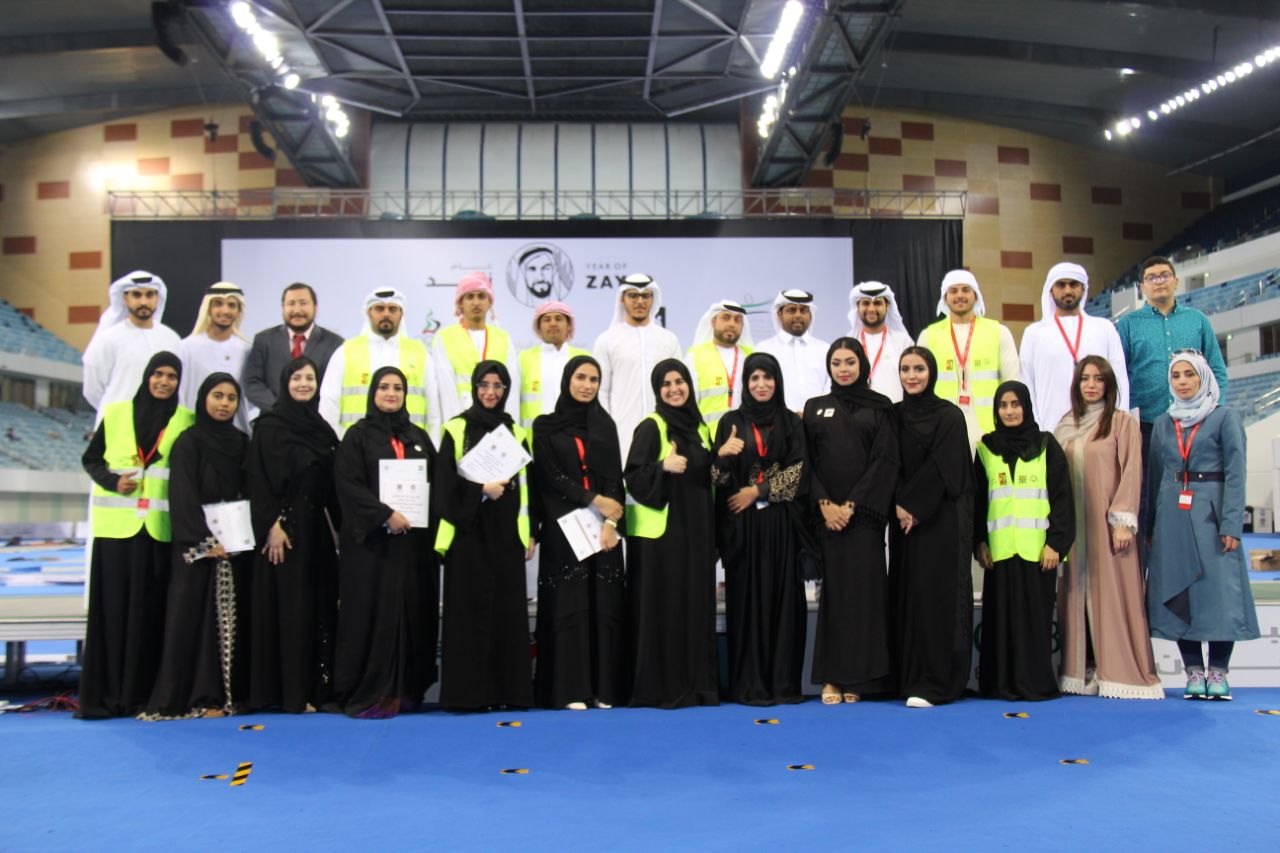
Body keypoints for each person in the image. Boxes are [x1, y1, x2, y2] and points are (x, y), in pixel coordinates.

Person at [77, 352, 194, 719]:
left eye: (172, 376)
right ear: (146, 377)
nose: (164, 382)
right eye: (158, 374)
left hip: (158, 531)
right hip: (116, 533)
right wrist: (112, 481)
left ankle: (141, 694)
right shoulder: (115, 414)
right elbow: (91, 460)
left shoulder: (185, 419)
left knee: (151, 616)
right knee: (112, 613)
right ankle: (108, 694)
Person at [1146, 350, 1257, 700]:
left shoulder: (1224, 417)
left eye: (1189, 374)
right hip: (1172, 515)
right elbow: (1154, 478)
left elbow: (1237, 474)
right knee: (1181, 590)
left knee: (1219, 593)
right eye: (1176, 376)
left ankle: (1218, 671)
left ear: (1203, 377)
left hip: (1212, 514)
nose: (1183, 382)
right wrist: (1151, 527)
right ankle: (1193, 671)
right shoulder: (1163, 423)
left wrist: (1232, 524)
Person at [331, 366, 439, 718]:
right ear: (372, 392)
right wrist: (384, 514)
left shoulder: (418, 436)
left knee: (411, 611)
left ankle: (406, 689)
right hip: (373, 548)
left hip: (412, 548)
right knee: (373, 613)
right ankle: (372, 691)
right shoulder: (357, 436)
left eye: (397, 388)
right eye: (383, 387)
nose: (391, 393)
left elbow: (436, 484)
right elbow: (347, 484)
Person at [142, 373, 252, 719]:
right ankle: (197, 697)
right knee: (192, 621)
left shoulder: (242, 443)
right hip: (199, 549)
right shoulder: (189, 442)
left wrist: (239, 536)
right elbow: (182, 494)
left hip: (235, 547)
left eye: (231, 398)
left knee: (233, 621)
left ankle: (227, 696)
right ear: (204, 398)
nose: (224, 404)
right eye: (217, 396)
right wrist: (205, 540)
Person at [1053, 356, 1161, 699]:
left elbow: (1131, 472)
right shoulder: (1065, 425)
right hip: (1074, 531)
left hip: (1109, 527)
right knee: (1075, 595)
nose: (1091, 385)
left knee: (1112, 596)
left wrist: (1123, 520)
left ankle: (1115, 670)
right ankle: (1081, 668)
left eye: (1098, 379)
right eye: (1085, 378)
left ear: (1109, 384)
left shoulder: (1121, 423)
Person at [433, 361, 536, 711]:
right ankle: (467, 697)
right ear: (474, 388)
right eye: (484, 385)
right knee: (468, 615)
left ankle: (507, 694)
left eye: (498, 386)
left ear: (506, 390)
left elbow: (527, 489)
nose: (490, 392)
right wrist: (481, 490)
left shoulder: (516, 433)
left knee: (506, 615)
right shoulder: (456, 428)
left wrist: (529, 532)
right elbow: (444, 486)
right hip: (467, 535)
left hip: (506, 536)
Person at [804, 338, 899, 704]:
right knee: (833, 597)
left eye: (849, 362)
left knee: (864, 597)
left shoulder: (880, 407)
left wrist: (852, 505)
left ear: (862, 365)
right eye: (837, 363)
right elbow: (806, 461)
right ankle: (831, 678)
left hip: (864, 519)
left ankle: (858, 677)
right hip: (826, 518)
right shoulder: (815, 408)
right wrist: (825, 504)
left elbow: (884, 459)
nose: (843, 369)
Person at [1117, 256, 1228, 563]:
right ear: (1142, 286)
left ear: (1176, 281)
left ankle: (1192, 563)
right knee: (1145, 498)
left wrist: (1212, 414)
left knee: (1191, 495)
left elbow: (1218, 371)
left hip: (1193, 427)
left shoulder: (1197, 321)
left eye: (1164, 275)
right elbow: (1118, 375)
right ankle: (1146, 572)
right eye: (1151, 277)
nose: (1159, 281)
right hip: (1146, 425)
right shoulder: (1128, 325)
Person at [712, 352, 809, 705]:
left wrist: (758, 491)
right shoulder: (730, 421)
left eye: (768, 377)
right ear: (745, 382)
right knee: (746, 604)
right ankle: (749, 686)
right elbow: (718, 480)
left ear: (777, 381)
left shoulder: (791, 422)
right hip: (744, 528)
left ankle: (783, 685)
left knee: (784, 603)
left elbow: (799, 472)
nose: (761, 384)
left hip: (782, 525)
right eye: (754, 378)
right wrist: (722, 456)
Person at [247, 356, 341, 713]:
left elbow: (333, 486)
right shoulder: (268, 427)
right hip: (283, 534)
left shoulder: (322, 429)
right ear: (285, 382)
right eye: (297, 377)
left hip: (317, 533)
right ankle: (288, 692)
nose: (304, 384)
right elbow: (257, 480)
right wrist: (271, 525)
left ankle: (316, 690)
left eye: (310, 378)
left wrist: (343, 531)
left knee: (318, 606)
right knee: (289, 609)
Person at [531, 355, 626, 710]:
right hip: (565, 528)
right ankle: (570, 689)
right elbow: (549, 476)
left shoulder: (605, 425)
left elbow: (615, 477)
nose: (587, 385)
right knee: (570, 604)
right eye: (581, 377)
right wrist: (593, 500)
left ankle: (603, 689)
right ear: (567, 379)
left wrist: (611, 523)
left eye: (593, 379)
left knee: (603, 604)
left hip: (603, 531)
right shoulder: (545, 427)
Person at [623, 359, 719, 709]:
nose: (674, 389)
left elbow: (708, 478)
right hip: (661, 539)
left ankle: (697, 686)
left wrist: (721, 459)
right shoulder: (652, 426)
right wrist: (662, 466)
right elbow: (632, 476)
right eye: (666, 384)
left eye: (680, 382)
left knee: (695, 606)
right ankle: (662, 688)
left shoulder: (700, 428)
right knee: (665, 608)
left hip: (697, 533)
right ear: (657, 390)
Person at [973, 381, 1074, 702]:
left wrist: (1056, 544)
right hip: (1000, 554)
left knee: (1034, 623)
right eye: (1003, 405)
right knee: (1000, 624)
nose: (1009, 411)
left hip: (1038, 554)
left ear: (1026, 407)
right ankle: (999, 685)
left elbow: (1062, 498)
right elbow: (978, 501)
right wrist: (979, 542)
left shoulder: (1047, 446)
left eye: (1015, 404)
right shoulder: (986, 448)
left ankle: (1035, 685)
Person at [889, 347, 974, 708]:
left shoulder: (950, 416)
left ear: (932, 372)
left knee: (935, 597)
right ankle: (907, 677)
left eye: (919, 369)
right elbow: (887, 462)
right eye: (905, 369)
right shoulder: (893, 415)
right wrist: (897, 504)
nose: (912, 376)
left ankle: (935, 682)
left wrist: (912, 505)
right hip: (903, 523)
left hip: (940, 521)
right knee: (907, 595)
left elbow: (946, 467)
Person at [319, 288, 440, 440]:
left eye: (392, 309)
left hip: (409, 446)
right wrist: (336, 446)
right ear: (368, 312)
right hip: (357, 446)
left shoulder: (420, 353)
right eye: (379, 308)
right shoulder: (346, 352)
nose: (386, 314)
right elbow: (329, 404)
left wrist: (432, 448)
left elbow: (434, 411)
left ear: (401, 314)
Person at [917, 270, 1020, 450]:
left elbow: (1013, 383)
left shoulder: (998, 332)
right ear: (945, 297)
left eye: (966, 290)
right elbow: (919, 389)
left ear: (976, 295)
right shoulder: (928, 336)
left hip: (990, 428)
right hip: (942, 428)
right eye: (953, 291)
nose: (960, 295)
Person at [1021, 263, 1129, 433]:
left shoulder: (1104, 328)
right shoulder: (1034, 333)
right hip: (1050, 429)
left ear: (1083, 289)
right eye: (1061, 285)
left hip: (1100, 430)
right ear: (1050, 290)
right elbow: (1027, 384)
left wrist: (1117, 425)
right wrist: (1036, 430)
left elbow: (1119, 379)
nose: (1068, 290)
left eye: (1073, 284)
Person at [593, 274, 683, 458]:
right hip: (621, 431)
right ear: (622, 298)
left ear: (653, 299)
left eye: (645, 296)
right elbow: (601, 391)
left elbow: (680, 389)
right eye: (633, 295)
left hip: (665, 430)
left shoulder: (669, 340)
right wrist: (607, 430)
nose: (640, 301)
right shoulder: (607, 341)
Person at [82, 270, 183, 420]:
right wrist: (116, 410)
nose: (144, 302)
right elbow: (92, 390)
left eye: (149, 295)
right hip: (117, 423)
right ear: (125, 298)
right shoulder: (108, 339)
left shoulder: (172, 339)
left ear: (157, 297)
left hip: (162, 423)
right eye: (137, 295)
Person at [432, 272, 520, 422]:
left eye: (481, 296)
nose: (476, 302)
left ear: (489, 302)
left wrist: (508, 426)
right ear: (460, 303)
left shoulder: (503, 338)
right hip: (462, 422)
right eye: (470, 297)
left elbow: (511, 390)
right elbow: (447, 391)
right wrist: (457, 427)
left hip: (498, 423)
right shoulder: (445, 337)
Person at [242, 282, 344, 413]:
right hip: (273, 419)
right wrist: (280, 408)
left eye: (303, 303)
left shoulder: (334, 343)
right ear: (283, 308)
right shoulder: (264, 340)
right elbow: (252, 384)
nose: (297, 310)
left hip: (315, 420)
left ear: (315, 307)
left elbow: (336, 387)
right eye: (291, 304)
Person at [178, 282, 255, 432]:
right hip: (194, 429)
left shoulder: (246, 350)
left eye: (231, 305)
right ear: (208, 308)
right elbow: (180, 393)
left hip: (235, 431)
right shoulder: (186, 347)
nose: (225, 311)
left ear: (239, 311)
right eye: (218, 304)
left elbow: (249, 397)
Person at [517, 300, 589, 430]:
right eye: (547, 319)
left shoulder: (583, 358)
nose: (553, 323)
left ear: (569, 325)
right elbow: (513, 401)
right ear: (538, 327)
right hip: (533, 438)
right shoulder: (523, 359)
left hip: (573, 436)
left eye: (559, 318)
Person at [754, 289, 830, 412]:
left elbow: (830, 388)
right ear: (779, 314)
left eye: (803, 310)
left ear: (810, 315)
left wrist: (814, 414)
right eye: (792, 310)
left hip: (819, 420)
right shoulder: (763, 349)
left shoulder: (825, 349)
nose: (798, 315)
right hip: (777, 420)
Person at [685, 300, 755, 431]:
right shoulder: (695, 356)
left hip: (745, 436)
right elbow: (688, 404)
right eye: (726, 318)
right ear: (713, 322)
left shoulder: (751, 356)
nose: (732, 324)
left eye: (737, 320)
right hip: (708, 437)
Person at [846, 281, 914, 402]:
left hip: (894, 410)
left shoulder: (903, 342)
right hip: (857, 410)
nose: (871, 309)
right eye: (866, 303)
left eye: (877, 303)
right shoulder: (848, 343)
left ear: (887, 306)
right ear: (858, 307)